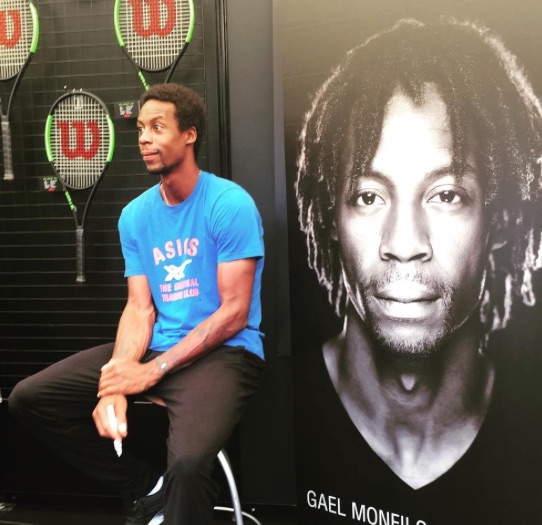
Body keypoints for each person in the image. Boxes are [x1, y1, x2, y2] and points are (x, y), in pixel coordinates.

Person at [294, 17, 542, 524]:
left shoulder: (530, 429)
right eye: (368, 197)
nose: (404, 245)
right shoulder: (279, 408)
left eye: (446, 195)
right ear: (331, 218)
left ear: (497, 220)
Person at [9, 83, 265, 525]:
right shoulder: (135, 215)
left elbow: (233, 313)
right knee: (30, 398)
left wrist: (151, 372)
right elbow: (140, 308)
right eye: (141, 128)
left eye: (157, 127)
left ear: (189, 134)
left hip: (224, 353)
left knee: (188, 465)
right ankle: (146, 490)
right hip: (157, 345)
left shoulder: (229, 204)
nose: (144, 138)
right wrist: (118, 379)